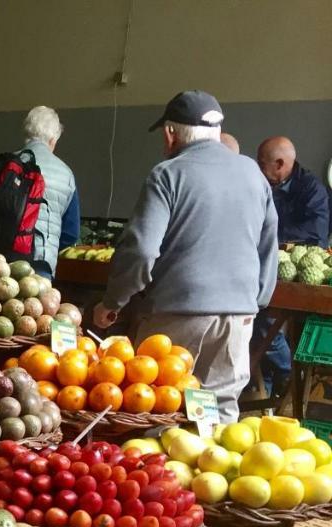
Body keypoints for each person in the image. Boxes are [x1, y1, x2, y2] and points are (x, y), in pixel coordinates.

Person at [93, 90, 278, 423]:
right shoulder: (254, 174)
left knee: (159, 410)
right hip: (238, 317)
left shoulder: (167, 174)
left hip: (177, 314)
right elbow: (268, 245)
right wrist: (255, 300)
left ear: (169, 133)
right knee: (217, 414)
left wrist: (113, 302)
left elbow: (142, 250)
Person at [251, 136, 330, 394]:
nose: (258, 168)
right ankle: (273, 385)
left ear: (280, 164)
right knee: (260, 326)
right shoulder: (261, 185)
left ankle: (288, 374)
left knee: (266, 326)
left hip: (295, 276)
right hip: (262, 269)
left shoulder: (311, 190)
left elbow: (315, 234)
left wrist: (271, 236)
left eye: (262, 164)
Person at [0, 106, 79, 278]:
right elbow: (71, 233)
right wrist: (48, 246)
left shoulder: (7, 163)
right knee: (36, 304)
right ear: (54, 139)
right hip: (40, 264)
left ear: (27, 134)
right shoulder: (66, 174)